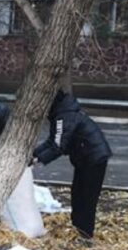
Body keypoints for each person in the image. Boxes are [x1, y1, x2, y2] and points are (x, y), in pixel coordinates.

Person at [32, 90, 112, 239]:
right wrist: (33, 154)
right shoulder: (62, 113)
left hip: (93, 159)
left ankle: (85, 235)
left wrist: (37, 160)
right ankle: (79, 229)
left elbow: (58, 146)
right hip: (85, 158)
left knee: (86, 197)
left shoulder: (64, 117)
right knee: (77, 194)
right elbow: (52, 140)